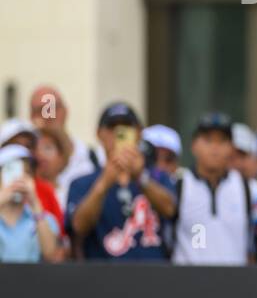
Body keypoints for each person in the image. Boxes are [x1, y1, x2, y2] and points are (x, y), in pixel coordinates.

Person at [170, 113, 257, 266]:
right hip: (186, 286)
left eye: (222, 141)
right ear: (194, 145)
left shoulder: (248, 188)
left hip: (234, 286)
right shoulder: (178, 185)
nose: (215, 148)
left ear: (231, 147)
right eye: (208, 140)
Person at [65, 103, 176, 262]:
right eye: (112, 128)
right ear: (99, 134)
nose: (118, 134)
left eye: (126, 127)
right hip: (103, 281)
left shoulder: (159, 177)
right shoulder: (82, 182)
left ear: (139, 133)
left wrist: (140, 177)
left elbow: (170, 210)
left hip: (154, 280)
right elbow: (78, 227)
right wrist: (104, 182)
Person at [0, 145, 62, 263]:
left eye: (27, 173)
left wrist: (35, 203)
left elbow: (50, 254)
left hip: (32, 280)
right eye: (12, 172)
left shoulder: (44, 218)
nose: (19, 179)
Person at [1, 119, 66, 231]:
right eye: (15, 144)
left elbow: (58, 245)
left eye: (28, 145)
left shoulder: (45, 190)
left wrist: (35, 205)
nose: (21, 150)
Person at [27, 84, 96, 189]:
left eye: (53, 107)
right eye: (41, 109)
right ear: (31, 116)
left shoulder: (92, 156)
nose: (48, 115)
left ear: (65, 111)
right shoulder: (24, 157)